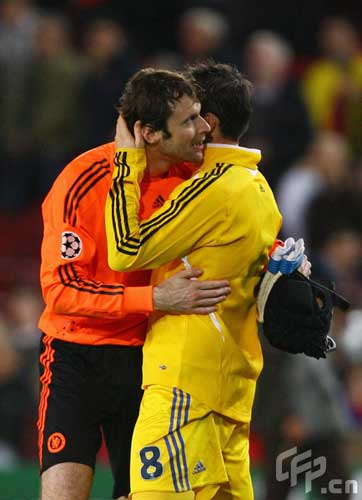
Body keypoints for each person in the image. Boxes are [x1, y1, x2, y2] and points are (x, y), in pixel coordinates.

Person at [38, 73, 231, 500]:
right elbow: (62, 292)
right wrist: (156, 298)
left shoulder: (196, 178)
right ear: (148, 133)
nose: (204, 128)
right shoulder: (82, 180)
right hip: (76, 357)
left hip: (150, 362)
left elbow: (240, 221)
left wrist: (286, 259)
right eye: (190, 120)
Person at [105, 63, 282, 499]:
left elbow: (126, 248)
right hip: (229, 391)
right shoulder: (258, 185)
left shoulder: (216, 188)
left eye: (193, 114)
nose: (194, 124)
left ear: (209, 121)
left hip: (185, 386)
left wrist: (126, 161)